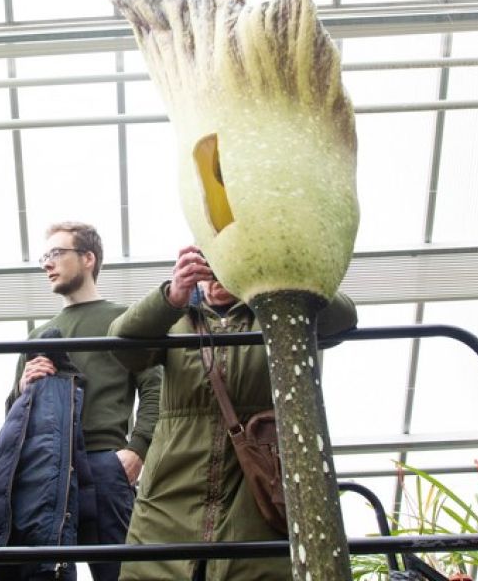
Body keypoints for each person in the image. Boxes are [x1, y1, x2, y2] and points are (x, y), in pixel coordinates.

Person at [108, 245, 358, 581]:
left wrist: (276, 265)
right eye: (210, 260)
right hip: (169, 502)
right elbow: (121, 343)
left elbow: (342, 318)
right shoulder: (177, 319)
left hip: (259, 502)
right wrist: (173, 295)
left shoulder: (277, 311)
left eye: (229, 257)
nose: (217, 271)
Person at [6, 222, 162, 581]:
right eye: (45, 256)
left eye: (56, 253)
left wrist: (136, 450)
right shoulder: (37, 335)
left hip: (105, 464)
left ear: (88, 258)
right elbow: (12, 416)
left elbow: (156, 389)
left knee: (120, 574)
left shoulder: (122, 320)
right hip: (45, 470)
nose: (47, 263)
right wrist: (22, 387)